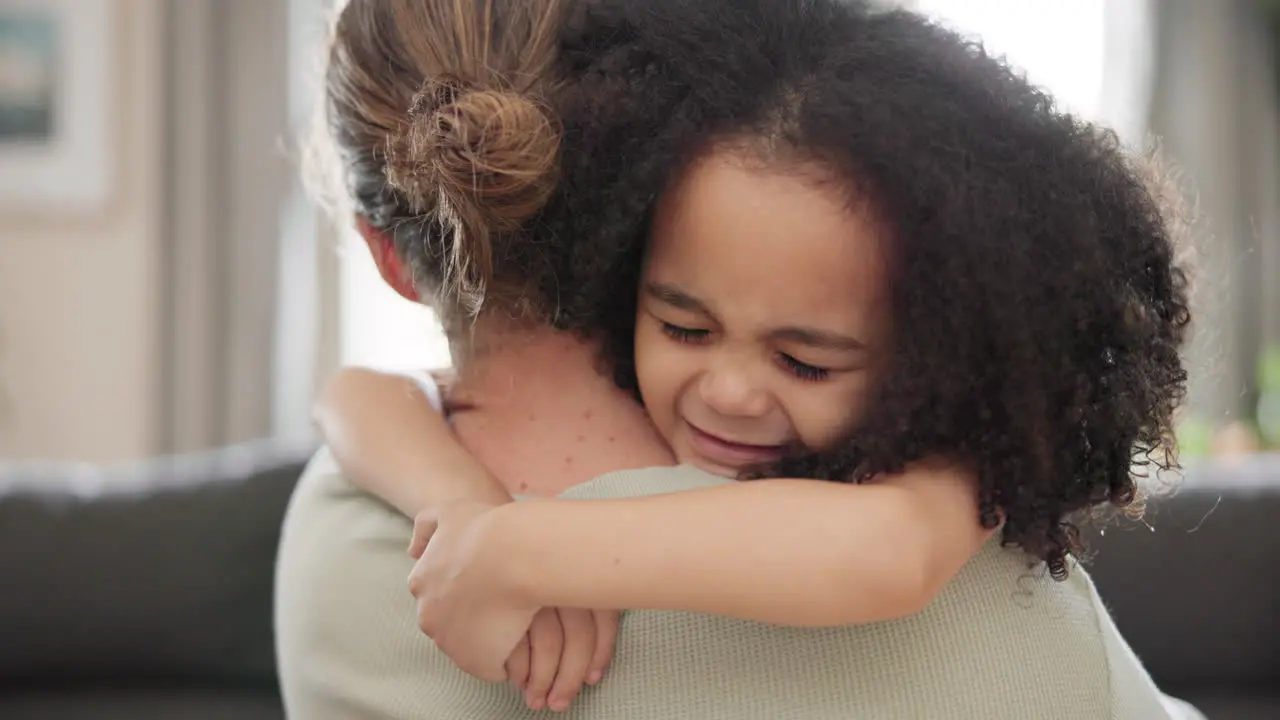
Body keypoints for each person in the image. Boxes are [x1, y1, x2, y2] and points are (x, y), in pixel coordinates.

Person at [276, 0, 1201, 718]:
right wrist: (462, 508)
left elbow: (893, 551)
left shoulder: (333, 539)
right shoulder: (963, 572)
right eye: (684, 326)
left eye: (804, 358)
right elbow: (362, 395)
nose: (730, 390)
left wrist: (504, 536)